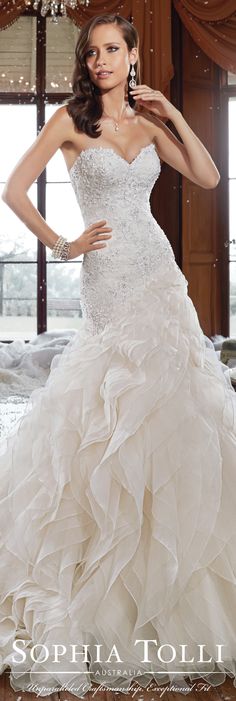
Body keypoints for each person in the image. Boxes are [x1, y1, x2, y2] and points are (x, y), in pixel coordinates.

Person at [0, 11, 236, 700]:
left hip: (161, 279)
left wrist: (172, 113)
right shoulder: (70, 123)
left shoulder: (152, 124)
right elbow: (14, 189)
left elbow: (211, 176)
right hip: (107, 282)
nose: (102, 60)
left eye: (113, 50)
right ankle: (95, 587)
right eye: (94, 51)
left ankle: (164, 580)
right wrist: (62, 243)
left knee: (174, 412)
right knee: (105, 417)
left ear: (133, 57)